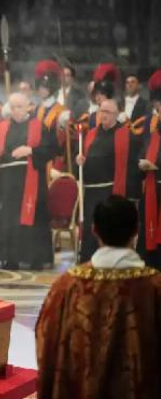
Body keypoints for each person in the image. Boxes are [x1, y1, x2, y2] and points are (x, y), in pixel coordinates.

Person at [36, 195, 161, 399]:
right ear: (136, 230)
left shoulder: (67, 287)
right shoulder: (155, 287)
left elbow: (46, 342)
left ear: (94, 230)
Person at [0, 93, 56, 270]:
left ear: (29, 107)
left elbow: (51, 149)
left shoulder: (39, 126)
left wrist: (30, 150)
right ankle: (10, 258)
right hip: (9, 181)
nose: (15, 111)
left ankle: (35, 258)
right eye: (12, 107)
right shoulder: (2, 127)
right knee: (10, 218)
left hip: (32, 180)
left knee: (34, 216)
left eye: (19, 107)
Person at [76, 99, 139, 262]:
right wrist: (80, 161)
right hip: (91, 191)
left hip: (111, 191)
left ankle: (110, 262)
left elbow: (133, 166)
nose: (103, 115)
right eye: (101, 111)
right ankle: (88, 261)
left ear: (117, 114)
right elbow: (83, 158)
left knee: (108, 228)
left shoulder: (127, 136)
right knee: (91, 228)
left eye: (107, 112)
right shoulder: (91, 134)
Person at [136, 69, 161, 270]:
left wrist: (157, 167)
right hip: (153, 188)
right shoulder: (154, 127)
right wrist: (142, 162)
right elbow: (144, 149)